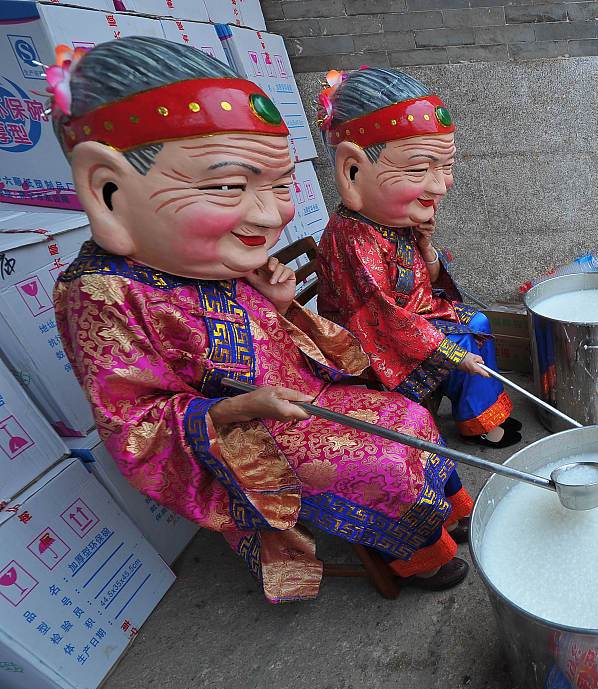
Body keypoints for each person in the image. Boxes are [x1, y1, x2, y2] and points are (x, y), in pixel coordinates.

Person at [50, 37, 475, 600]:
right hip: (248, 431)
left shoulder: (203, 256)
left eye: (278, 186)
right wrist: (240, 407)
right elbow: (133, 425)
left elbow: (257, 333)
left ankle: (446, 508)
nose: (270, 213)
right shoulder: (103, 295)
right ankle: (422, 555)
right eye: (229, 186)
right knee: (386, 460)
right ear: (106, 191)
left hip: (301, 392)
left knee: (409, 417)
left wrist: (276, 307)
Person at [315, 68, 519, 449]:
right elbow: (378, 315)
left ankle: (477, 417)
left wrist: (426, 250)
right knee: (465, 339)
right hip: (372, 340)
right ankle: (477, 420)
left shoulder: (393, 219)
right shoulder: (353, 238)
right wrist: (449, 352)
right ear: (353, 170)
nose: (441, 185)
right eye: (420, 168)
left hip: (416, 318)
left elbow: (428, 282)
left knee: (476, 319)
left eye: (446, 166)